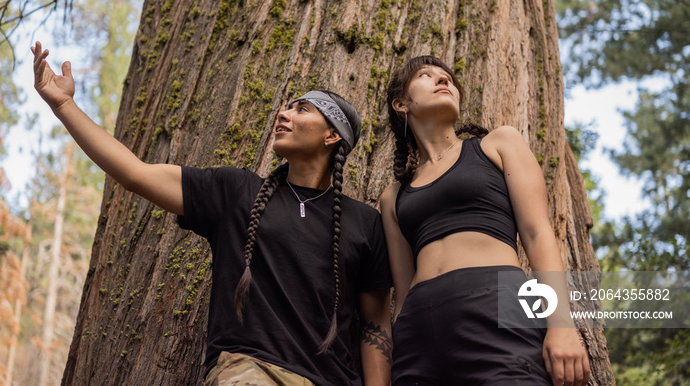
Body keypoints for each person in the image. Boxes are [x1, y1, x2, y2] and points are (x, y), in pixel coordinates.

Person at [32, 42, 393, 386]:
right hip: (249, 371)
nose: (283, 113)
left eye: (301, 109)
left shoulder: (365, 223)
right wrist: (64, 106)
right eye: (287, 107)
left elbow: (375, 325)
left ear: (332, 136)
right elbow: (135, 173)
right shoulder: (237, 192)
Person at [380, 55, 591, 386]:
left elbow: (538, 235)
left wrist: (561, 324)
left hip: (498, 308)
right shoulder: (392, 197)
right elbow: (402, 294)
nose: (443, 80)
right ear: (401, 104)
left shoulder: (498, 144)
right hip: (418, 335)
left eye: (448, 77)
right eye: (426, 75)